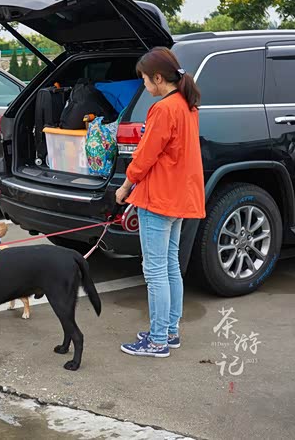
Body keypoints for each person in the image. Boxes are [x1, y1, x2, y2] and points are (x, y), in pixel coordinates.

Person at [115, 47, 205, 358]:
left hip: (159, 198)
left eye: (143, 79)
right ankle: (169, 332)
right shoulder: (187, 105)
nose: (143, 85)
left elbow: (145, 156)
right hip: (180, 197)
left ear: (157, 78)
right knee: (170, 267)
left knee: (154, 272)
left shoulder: (163, 109)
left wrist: (125, 186)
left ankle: (156, 341)